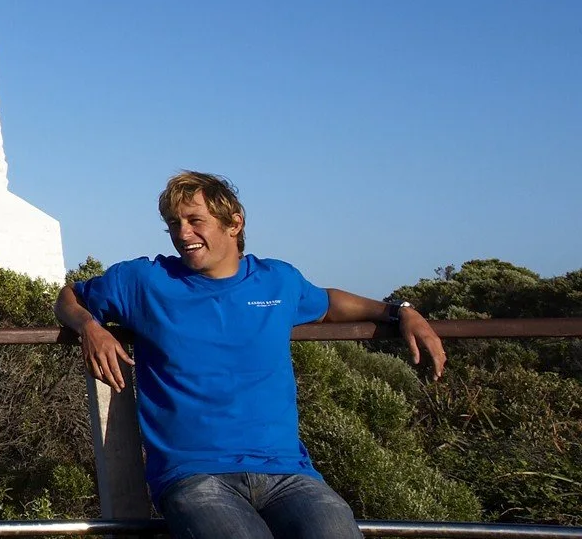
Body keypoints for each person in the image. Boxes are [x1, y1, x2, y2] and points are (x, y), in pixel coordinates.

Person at [55, 171, 446, 539]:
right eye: (174, 223)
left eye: (194, 220)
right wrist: (89, 326)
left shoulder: (277, 280)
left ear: (234, 224)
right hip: (194, 475)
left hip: (288, 473)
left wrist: (400, 312)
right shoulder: (144, 281)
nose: (182, 234)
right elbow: (69, 297)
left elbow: (328, 303)